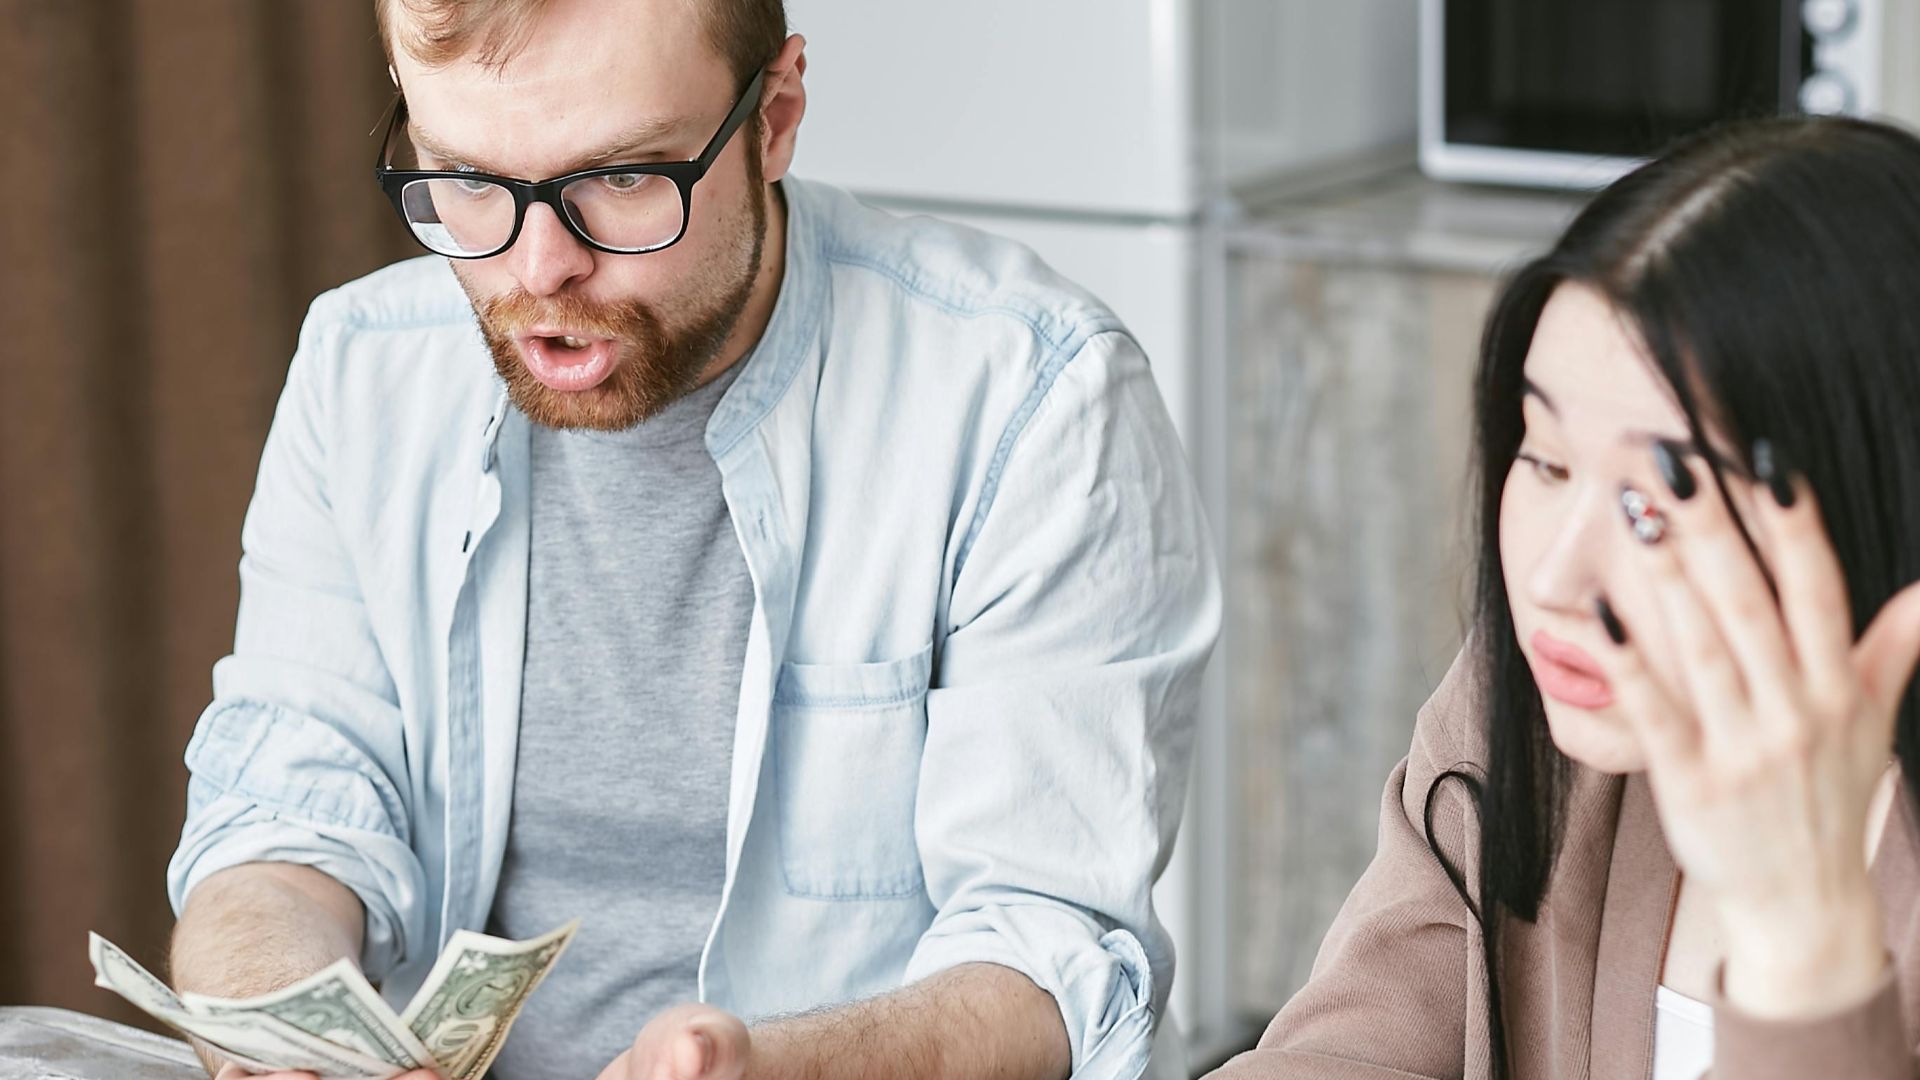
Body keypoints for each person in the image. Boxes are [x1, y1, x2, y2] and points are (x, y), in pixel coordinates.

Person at [163, 1, 1220, 1078]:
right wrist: (281, 1029)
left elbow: (1051, 963)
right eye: (468, 180)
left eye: (621, 179)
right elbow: (287, 822)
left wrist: (762, 1071)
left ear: (777, 117)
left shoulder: (1031, 397)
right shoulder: (362, 371)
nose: (538, 271)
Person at [1210, 115, 1920, 1080]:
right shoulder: (1551, 698)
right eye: (1544, 458)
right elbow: (1349, 1049)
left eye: (1654, 499)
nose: (1552, 579)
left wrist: (1807, 952)